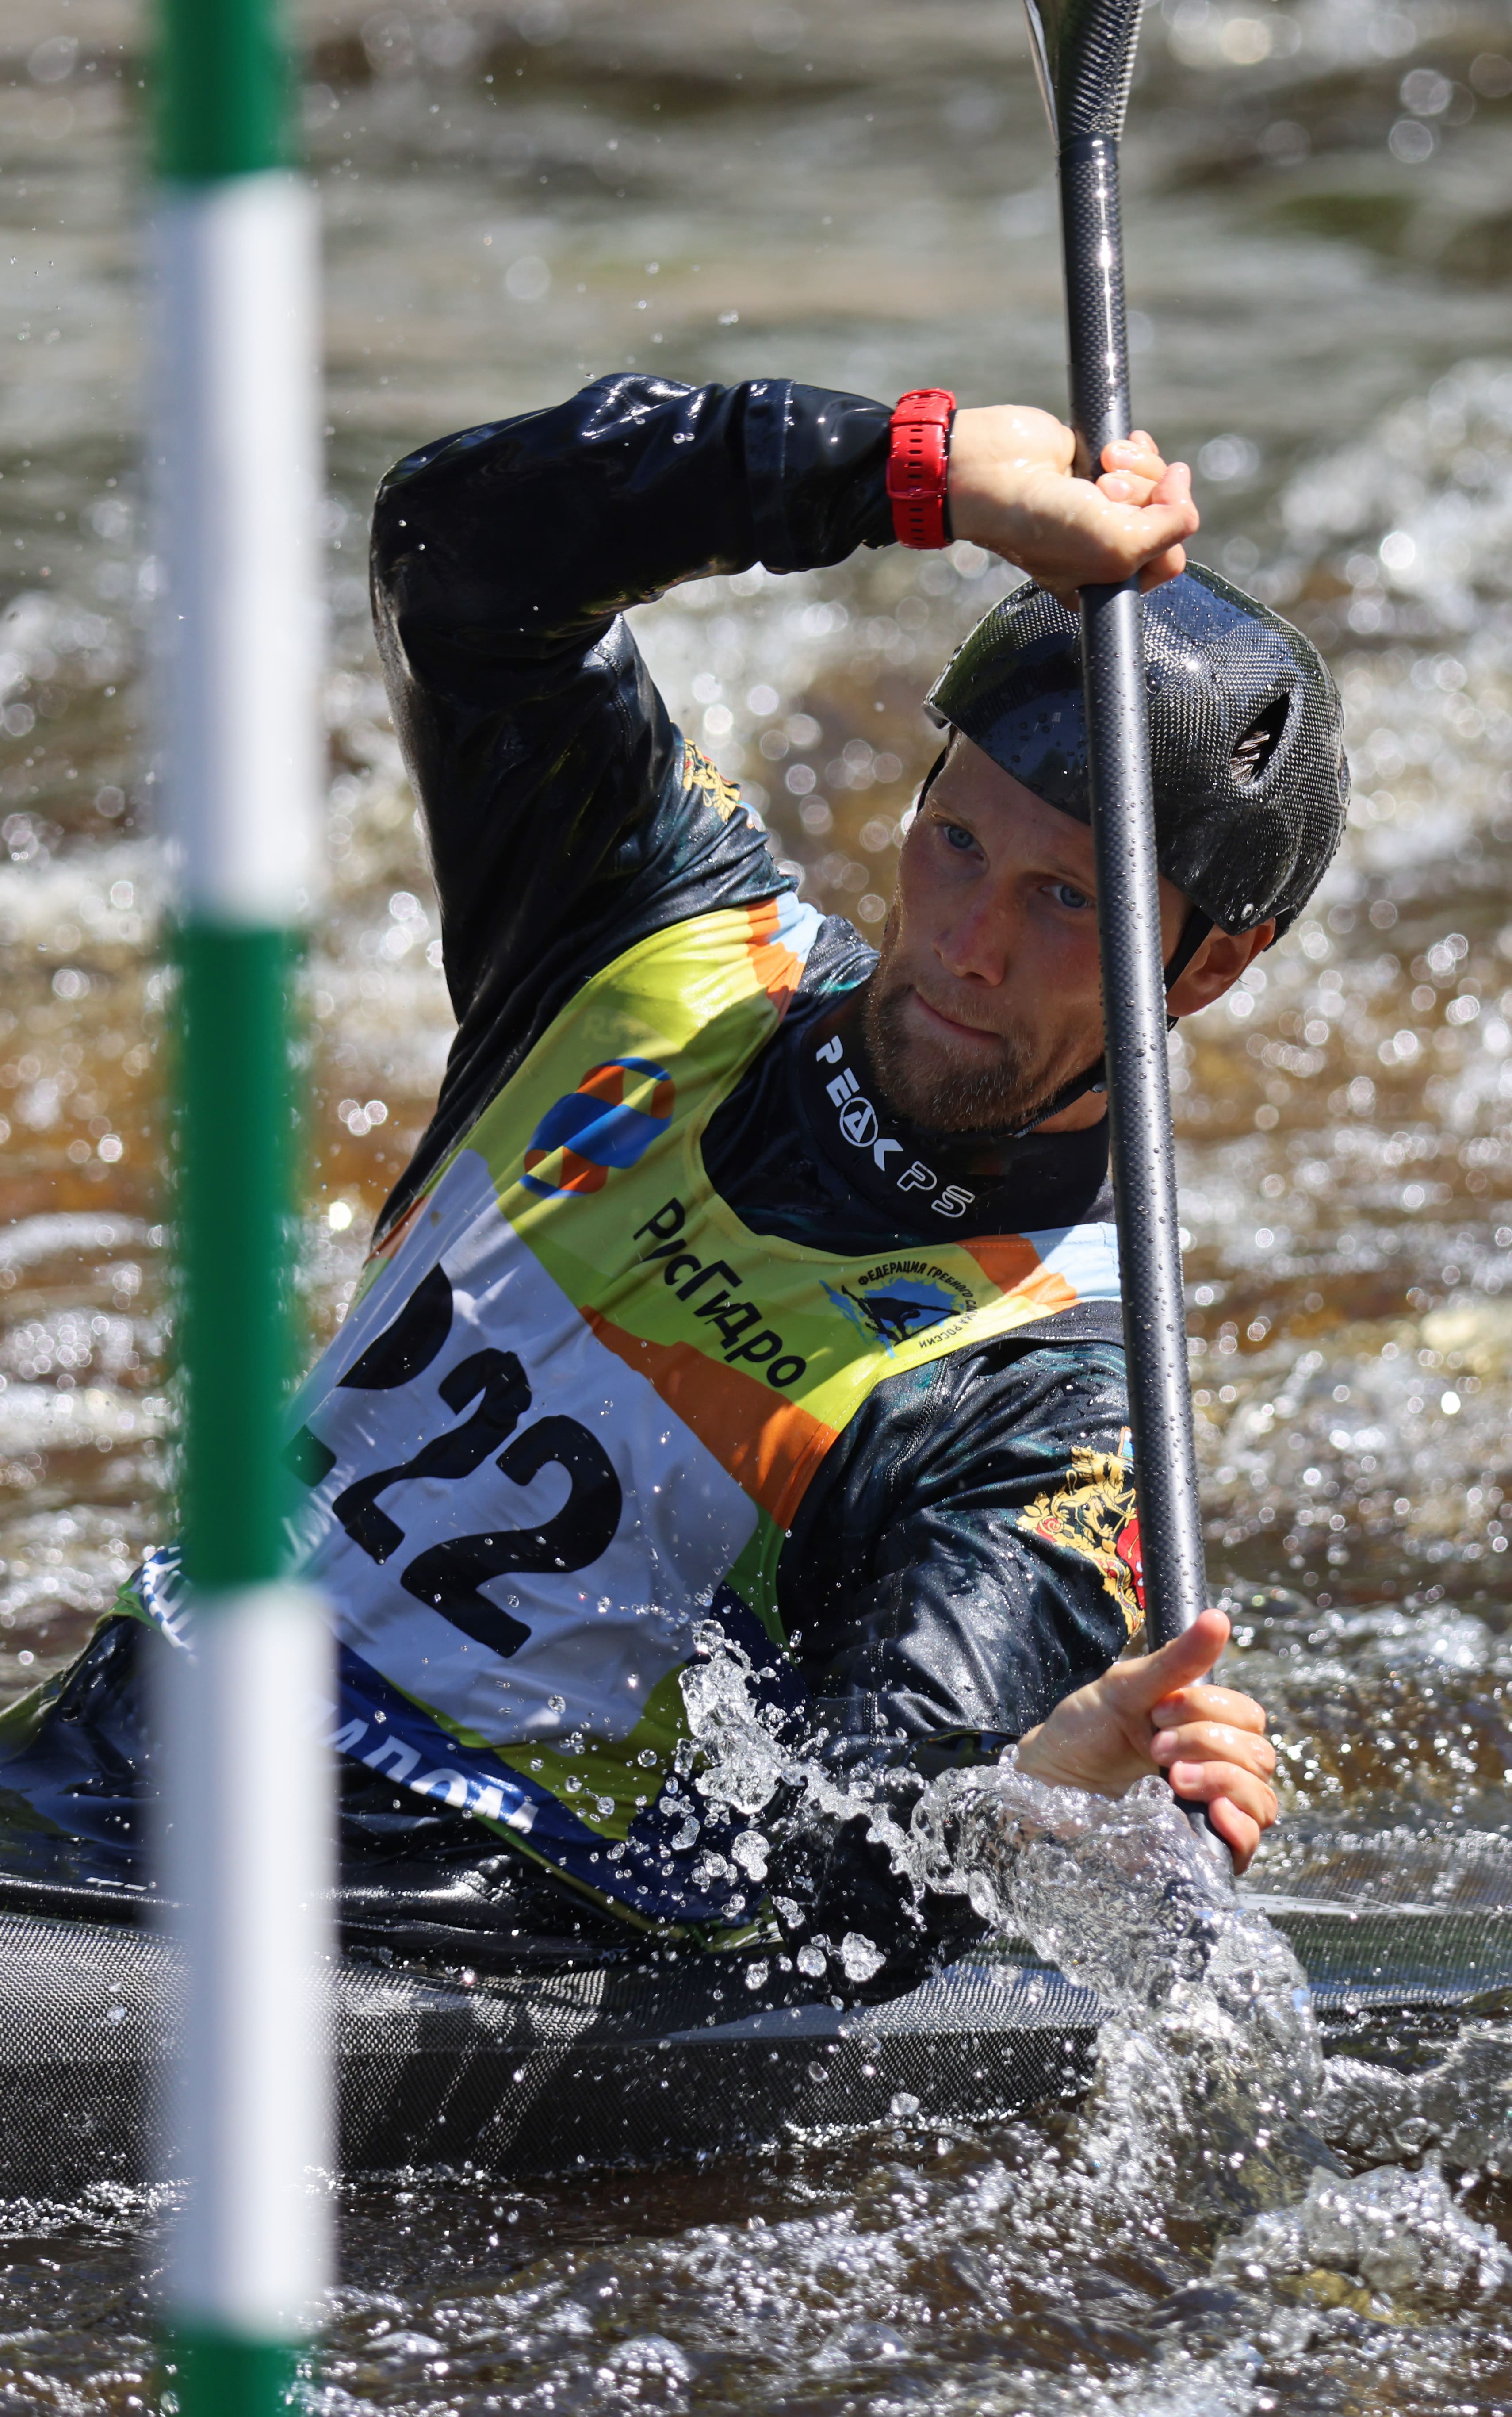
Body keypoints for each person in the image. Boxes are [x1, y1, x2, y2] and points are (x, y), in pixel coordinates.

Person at [0, 378, 1347, 1991]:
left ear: (1211, 967)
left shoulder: (1049, 1405)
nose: (967, 945)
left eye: (1064, 899)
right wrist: (895, 470)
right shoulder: (661, 933)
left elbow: (840, 1888)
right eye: (959, 845)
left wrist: (1028, 1803)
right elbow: (460, 556)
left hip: (399, 1943)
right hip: (89, 1767)